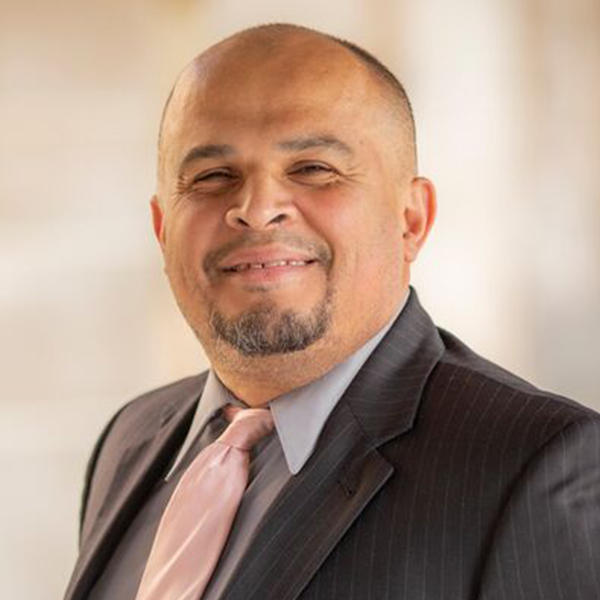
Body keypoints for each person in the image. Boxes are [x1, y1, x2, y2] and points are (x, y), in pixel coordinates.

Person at [64, 23, 600, 600]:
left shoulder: (533, 463)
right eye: (213, 177)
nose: (256, 209)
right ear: (162, 228)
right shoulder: (133, 439)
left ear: (411, 220)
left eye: (314, 168)